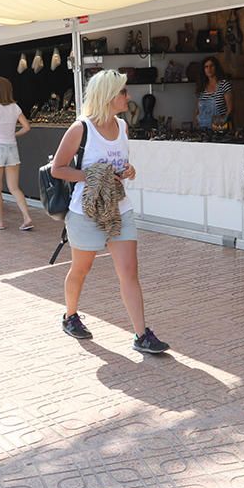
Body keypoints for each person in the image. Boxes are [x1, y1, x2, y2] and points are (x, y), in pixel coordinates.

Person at [50, 70, 169, 354]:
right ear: (108, 95)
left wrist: (129, 170)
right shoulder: (81, 129)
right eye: (123, 92)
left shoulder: (122, 127)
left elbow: (123, 165)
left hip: (119, 208)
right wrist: (92, 174)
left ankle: (142, 334)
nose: (128, 96)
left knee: (129, 271)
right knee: (82, 267)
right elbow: (58, 169)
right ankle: (70, 315)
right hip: (86, 210)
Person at [0, 77, 33, 231]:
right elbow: (27, 127)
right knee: (14, 187)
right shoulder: (15, 107)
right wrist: (14, 135)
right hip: (11, 148)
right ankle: (27, 217)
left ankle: (0, 221)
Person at [195, 56, 233, 133]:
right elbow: (198, 110)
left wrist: (220, 126)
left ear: (216, 68)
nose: (209, 69)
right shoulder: (202, 87)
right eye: (206, 67)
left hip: (220, 128)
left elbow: (230, 109)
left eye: (211, 66)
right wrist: (196, 123)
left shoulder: (224, 84)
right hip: (202, 128)